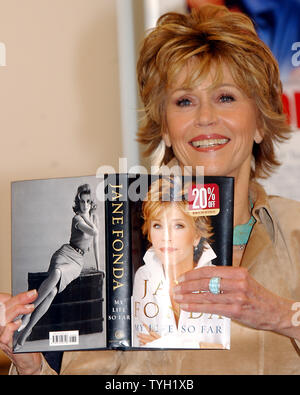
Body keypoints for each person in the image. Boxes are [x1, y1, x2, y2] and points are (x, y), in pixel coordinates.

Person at [1, 3, 300, 374]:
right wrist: (32, 369)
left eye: (226, 97)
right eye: (184, 101)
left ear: (260, 123)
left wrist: (283, 315)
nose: (205, 117)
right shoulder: (121, 240)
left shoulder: (295, 231)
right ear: (165, 128)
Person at [132, 177, 230, 349]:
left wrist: (170, 342)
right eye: (157, 226)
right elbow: (139, 345)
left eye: (178, 226)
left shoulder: (219, 281)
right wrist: (200, 345)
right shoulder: (144, 276)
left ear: (197, 235)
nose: (166, 237)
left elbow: (224, 350)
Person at [12, 184, 100, 352]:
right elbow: (93, 232)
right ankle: (28, 318)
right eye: (82, 201)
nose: (84, 205)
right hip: (63, 254)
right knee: (54, 282)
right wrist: (85, 214)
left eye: (88, 202)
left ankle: (26, 327)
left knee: (52, 290)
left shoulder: (93, 219)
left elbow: (96, 241)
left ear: (91, 202)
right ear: (78, 202)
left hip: (76, 261)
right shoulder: (77, 219)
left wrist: (98, 267)